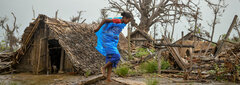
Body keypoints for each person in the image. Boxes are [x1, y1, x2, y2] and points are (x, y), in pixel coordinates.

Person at [94, 12, 132, 82]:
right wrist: (98, 28)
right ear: (125, 18)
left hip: (112, 41)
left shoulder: (123, 23)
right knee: (116, 56)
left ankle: (108, 78)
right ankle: (103, 68)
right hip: (107, 39)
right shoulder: (118, 20)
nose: (128, 22)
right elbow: (105, 20)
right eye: (128, 20)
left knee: (110, 58)